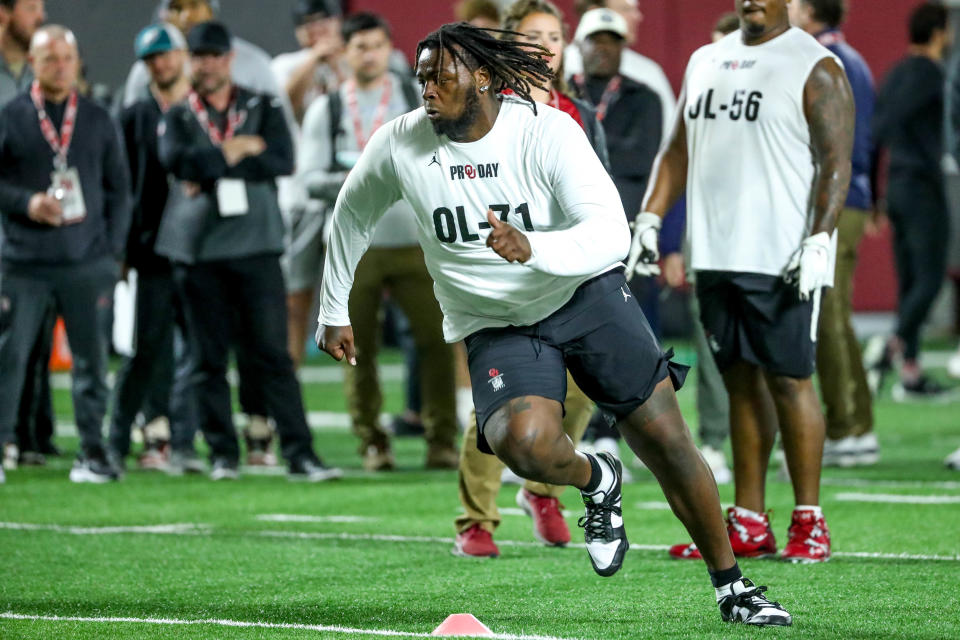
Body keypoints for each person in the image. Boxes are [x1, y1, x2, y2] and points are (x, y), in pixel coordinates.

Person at [316, 21, 791, 626]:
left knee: (668, 442)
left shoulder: (545, 130)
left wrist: (534, 248)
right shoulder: (399, 142)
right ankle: (599, 478)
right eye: (421, 78)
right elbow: (352, 213)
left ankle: (733, 586)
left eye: (441, 76)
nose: (427, 89)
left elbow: (610, 233)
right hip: (496, 321)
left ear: (483, 77)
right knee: (527, 447)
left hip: (581, 295)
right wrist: (333, 307)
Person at [632, 0, 853, 564]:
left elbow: (835, 161)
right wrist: (652, 217)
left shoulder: (815, 64)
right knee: (739, 387)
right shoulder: (706, 59)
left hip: (780, 254)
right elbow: (678, 149)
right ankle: (750, 520)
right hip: (715, 255)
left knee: (790, 381)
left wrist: (821, 237)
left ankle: (810, 520)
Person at [453, 0, 608, 558]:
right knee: (498, 403)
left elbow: (602, 193)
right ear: (508, 44)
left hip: (568, 269)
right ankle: (476, 519)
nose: (544, 45)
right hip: (502, 274)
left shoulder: (579, 111)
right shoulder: (485, 108)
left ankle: (543, 488)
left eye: (554, 35)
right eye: (531, 35)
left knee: (583, 388)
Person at [156, 21, 341, 482]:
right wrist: (237, 148)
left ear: (229, 58)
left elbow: (282, 159)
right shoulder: (180, 113)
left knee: (273, 355)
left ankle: (300, 454)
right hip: (199, 253)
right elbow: (178, 162)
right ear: (191, 61)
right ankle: (223, 453)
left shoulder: (261, 103)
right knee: (207, 359)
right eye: (200, 56)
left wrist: (213, 161)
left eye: (215, 55)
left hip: (258, 247)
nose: (208, 64)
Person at [298, 12, 458, 471]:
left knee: (436, 340)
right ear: (344, 53)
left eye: (375, 45)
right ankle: (371, 439)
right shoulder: (326, 108)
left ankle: (442, 437)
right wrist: (361, 177)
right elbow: (308, 181)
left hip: (415, 237)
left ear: (389, 49)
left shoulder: (415, 94)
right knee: (354, 346)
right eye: (358, 46)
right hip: (355, 245)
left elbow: (446, 156)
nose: (368, 55)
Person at [0, 25, 131, 483]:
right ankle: (2, 446)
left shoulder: (97, 117)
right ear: (32, 64)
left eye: (66, 58)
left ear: (78, 63)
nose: (59, 66)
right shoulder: (11, 115)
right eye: (49, 58)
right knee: (9, 359)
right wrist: (25, 202)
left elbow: (120, 190)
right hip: (23, 262)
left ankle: (93, 452)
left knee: (93, 363)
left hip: (86, 262)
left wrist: (112, 253)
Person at [109, 22, 205, 474]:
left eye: (167, 54)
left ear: (182, 55)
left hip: (205, 248)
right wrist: (122, 249)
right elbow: (120, 187)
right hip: (151, 249)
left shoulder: (208, 108)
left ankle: (181, 440)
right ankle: (115, 438)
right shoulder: (131, 118)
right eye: (152, 58)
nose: (161, 64)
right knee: (146, 347)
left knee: (201, 349)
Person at [789, 0, 878, 467]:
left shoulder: (823, 61)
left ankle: (846, 427)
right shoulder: (852, 58)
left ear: (810, 11)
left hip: (836, 199)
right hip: (854, 197)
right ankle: (857, 423)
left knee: (827, 314)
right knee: (834, 314)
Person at [659, 10, 743, 487]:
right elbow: (677, 167)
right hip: (710, 242)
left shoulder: (775, 97)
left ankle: (769, 436)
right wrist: (672, 242)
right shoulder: (699, 99)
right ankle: (713, 437)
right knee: (710, 345)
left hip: (765, 247)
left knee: (767, 353)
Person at [868, 2, 952, 400]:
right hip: (922, 186)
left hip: (896, 187)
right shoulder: (931, 75)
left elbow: (875, 132)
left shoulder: (896, 72)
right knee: (931, 277)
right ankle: (894, 343)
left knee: (909, 282)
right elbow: (889, 122)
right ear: (939, 32)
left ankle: (911, 372)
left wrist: (873, 196)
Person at [0, 0, 57, 472]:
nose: (39, 16)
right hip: (12, 221)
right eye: (31, 7)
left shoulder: (42, 72)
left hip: (29, 230)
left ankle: (31, 434)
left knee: (33, 340)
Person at [564, 0, 674, 145]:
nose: (637, 16)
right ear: (594, 9)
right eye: (625, 9)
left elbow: (668, 137)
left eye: (611, 42)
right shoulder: (558, 67)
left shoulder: (648, 73)